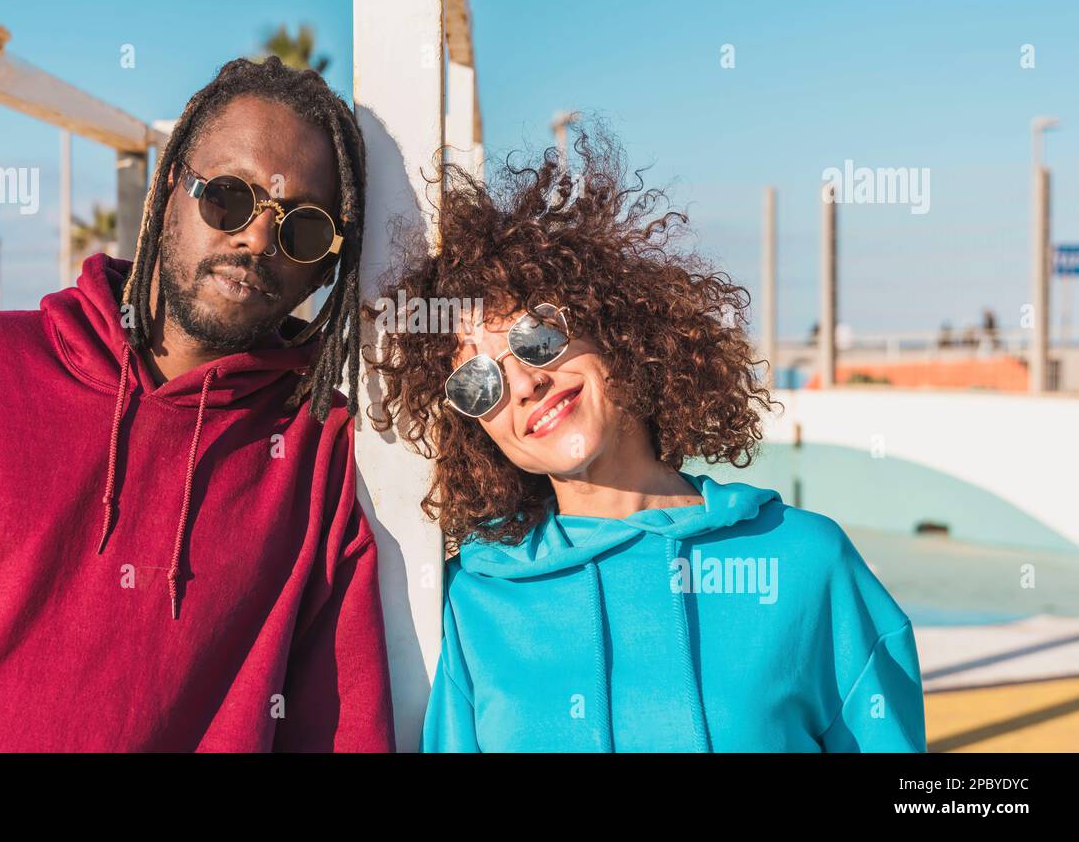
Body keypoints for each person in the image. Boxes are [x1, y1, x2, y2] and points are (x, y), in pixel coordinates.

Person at [0, 57, 395, 752]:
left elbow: (339, 731)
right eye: (229, 197)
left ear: (324, 264)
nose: (255, 237)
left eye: (300, 228)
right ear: (170, 189)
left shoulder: (318, 457)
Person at [366, 127, 926, 752]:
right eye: (476, 381)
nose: (523, 383)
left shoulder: (806, 563)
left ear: (613, 327)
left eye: (536, 336)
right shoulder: (478, 603)